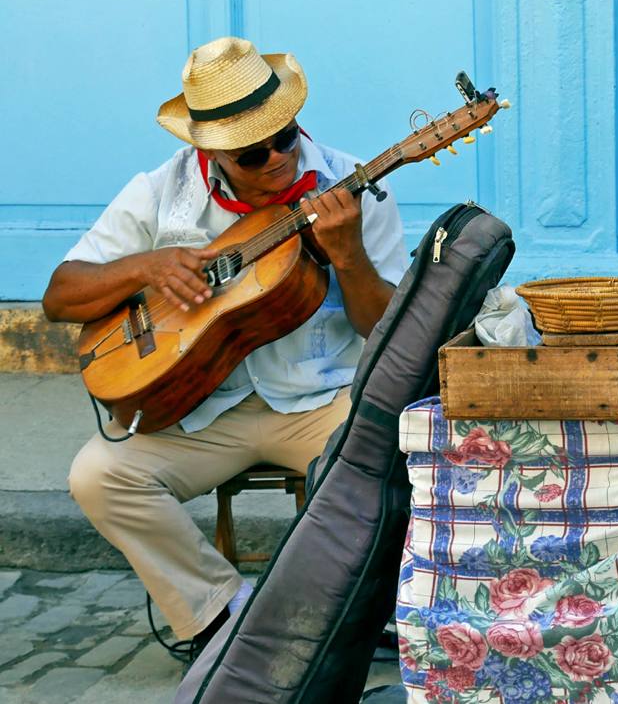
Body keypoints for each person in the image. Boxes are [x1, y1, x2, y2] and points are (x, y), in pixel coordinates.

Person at [44, 36, 408, 656]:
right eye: (251, 154)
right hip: (201, 412)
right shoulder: (160, 192)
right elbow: (61, 295)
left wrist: (349, 258)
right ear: (207, 149)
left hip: (320, 400)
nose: (275, 160)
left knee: (407, 457)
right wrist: (145, 269)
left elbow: (388, 331)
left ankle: (370, 613)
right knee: (98, 477)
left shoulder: (353, 189)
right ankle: (221, 615)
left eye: (285, 139)